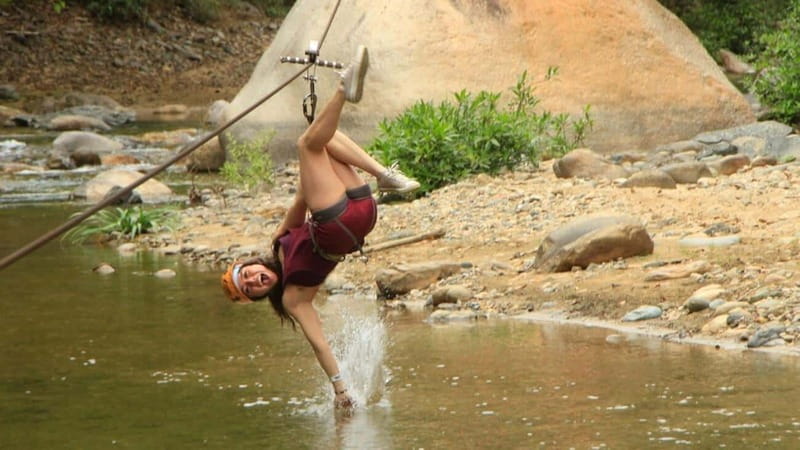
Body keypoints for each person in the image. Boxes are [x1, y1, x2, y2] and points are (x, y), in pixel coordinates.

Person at [220, 45, 418, 411]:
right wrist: (340, 389)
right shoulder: (295, 299)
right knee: (308, 143)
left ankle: (384, 176)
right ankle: (344, 90)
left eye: (246, 275)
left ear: (250, 263)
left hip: (355, 210)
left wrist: (314, 159)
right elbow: (320, 343)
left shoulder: (280, 240)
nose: (253, 281)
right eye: (251, 289)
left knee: (316, 141)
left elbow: (300, 200)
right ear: (264, 298)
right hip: (340, 224)